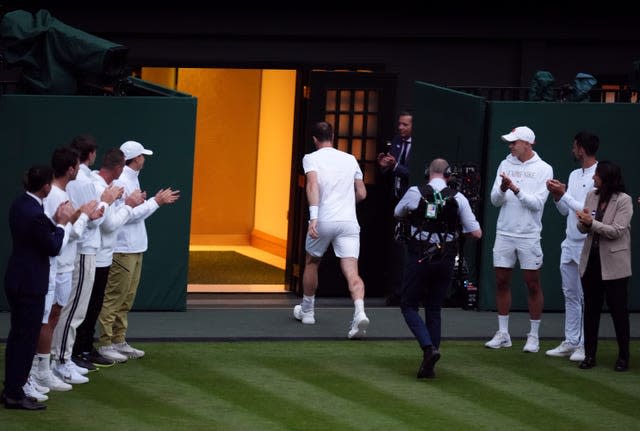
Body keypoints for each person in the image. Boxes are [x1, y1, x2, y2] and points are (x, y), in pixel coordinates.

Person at [395, 158, 481, 378]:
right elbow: (476, 233)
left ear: (428, 172)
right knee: (434, 308)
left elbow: (397, 212)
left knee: (408, 305)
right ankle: (429, 365)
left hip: (419, 256)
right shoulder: (458, 198)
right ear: (448, 175)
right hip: (445, 258)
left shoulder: (416, 192)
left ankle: (428, 348)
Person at [97, 140, 180, 361]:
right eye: (142, 156)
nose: (145, 159)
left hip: (135, 247)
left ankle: (118, 340)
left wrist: (148, 202)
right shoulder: (122, 181)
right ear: (136, 159)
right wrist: (156, 201)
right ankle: (105, 344)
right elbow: (127, 214)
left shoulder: (132, 178)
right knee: (114, 297)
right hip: (122, 248)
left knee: (127, 298)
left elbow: (133, 210)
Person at [2, 165, 73, 410]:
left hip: (19, 280)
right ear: (45, 187)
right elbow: (53, 246)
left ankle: (13, 387)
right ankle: (14, 392)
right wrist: (62, 223)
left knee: (18, 337)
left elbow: (38, 233)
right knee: (25, 338)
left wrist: (54, 221)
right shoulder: (32, 212)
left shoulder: (22, 204)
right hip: (29, 284)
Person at [31, 146, 100, 393]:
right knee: (45, 319)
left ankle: (44, 368)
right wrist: (84, 217)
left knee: (54, 315)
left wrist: (81, 215)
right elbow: (64, 234)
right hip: (56, 265)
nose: (79, 170)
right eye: (77, 167)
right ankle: (38, 370)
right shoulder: (55, 197)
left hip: (63, 264)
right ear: (71, 169)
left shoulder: (61, 193)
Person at [293, 121, 370, 339]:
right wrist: (346, 203)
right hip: (348, 222)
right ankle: (360, 312)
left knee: (311, 261)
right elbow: (362, 194)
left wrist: (314, 217)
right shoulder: (350, 159)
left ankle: (307, 311)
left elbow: (312, 185)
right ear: (333, 136)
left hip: (324, 220)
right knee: (352, 272)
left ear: (315, 139)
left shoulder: (311, 158)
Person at [72, 148, 145, 368]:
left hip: (101, 254)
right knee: (84, 308)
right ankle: (78, 353)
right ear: (119, 167)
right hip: (94, 253)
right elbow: (108, 223)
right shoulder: (98, 186)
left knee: (93, 306)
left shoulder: (105, 186)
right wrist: (129, 206)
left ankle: (85, 349)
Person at [485, 126, 553, 353]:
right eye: (510, 142)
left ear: (527, 143)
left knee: (532, 283)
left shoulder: (544, 169)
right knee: (501, 281)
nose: (510, 145)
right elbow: (495, 200)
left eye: (514, 142)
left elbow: (536, 204)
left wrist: (515, 188)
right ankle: (503, 333)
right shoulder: (505, 164)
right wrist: (504, 189)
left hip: (529, 235)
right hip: (505, 232)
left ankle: (533, 336)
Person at [545, 131, 599, 362]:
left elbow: (586, 212)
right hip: (569, 242)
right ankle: (571, 341)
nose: (572, 150)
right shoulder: (574, 174)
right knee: (570, 294)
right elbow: (566, 210)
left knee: (586, 296)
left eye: (574, 146)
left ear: (581, 149)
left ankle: (585, 345)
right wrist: (557, 197)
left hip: (586, 244)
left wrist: (564, 194)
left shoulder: (599, 176)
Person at [575, 161, 632, 371]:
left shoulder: (624, 201)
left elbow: (616, 231)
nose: (593, 178)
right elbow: (583, 228)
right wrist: (582, 222)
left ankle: (624, 356)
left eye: (597, 175)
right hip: (592, 261)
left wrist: (590, 223)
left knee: (619, 312)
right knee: (590, 310)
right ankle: (589, 355)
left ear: (607, 177)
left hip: (615, 265)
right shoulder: (592, 196)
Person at [377, 110, 413, 305]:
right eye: (399, 124)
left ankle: (406, 293)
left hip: (412, 205)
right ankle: (395, 291)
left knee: (406, 250)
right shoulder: (397, 141)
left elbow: (413, 172)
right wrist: (384, 164)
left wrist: (395, 165)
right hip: (395, 201)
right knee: (395, 248)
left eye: (405, 125)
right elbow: (389, 168)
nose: (400, 128)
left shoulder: (419, 143)